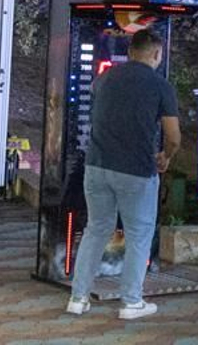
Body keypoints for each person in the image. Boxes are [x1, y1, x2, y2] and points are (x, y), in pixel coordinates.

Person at [65, 28, 180, 321]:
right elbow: (174, 136)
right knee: (139, 234)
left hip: (97, 166)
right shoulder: (160, 85)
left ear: (130, 52)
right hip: (137, 171)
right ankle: (131, 302)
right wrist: (165, 157)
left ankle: (78, 298)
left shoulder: (103, 79)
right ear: (156, 54)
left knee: (95, 229)